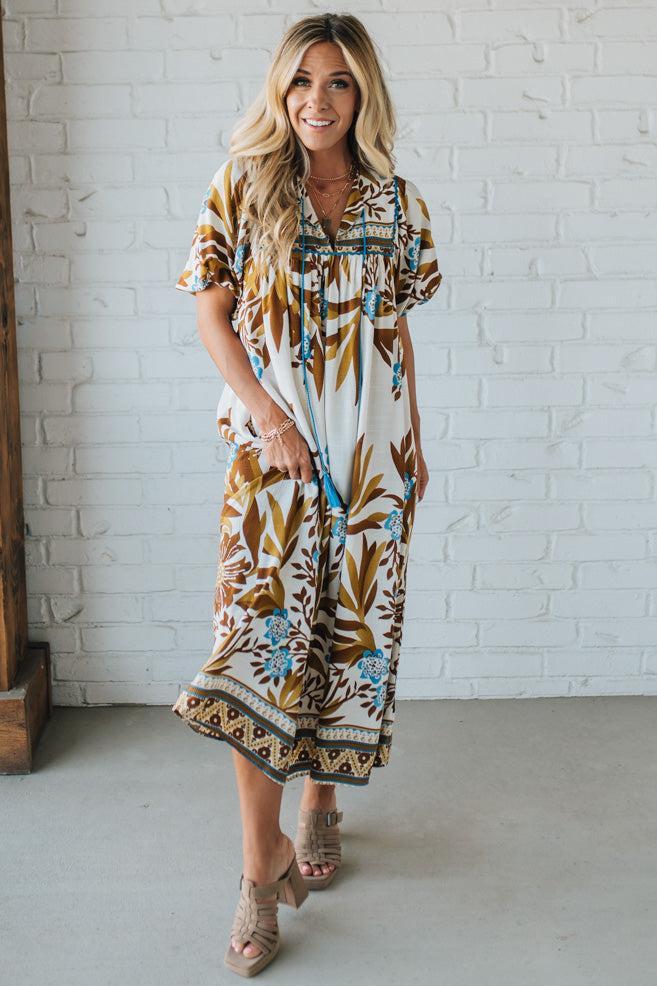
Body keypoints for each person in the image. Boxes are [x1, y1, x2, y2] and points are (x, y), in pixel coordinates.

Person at [171, 11, 442, 977]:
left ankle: (322, 800)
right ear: (277, 91)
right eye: (299, 83)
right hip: (272, 465)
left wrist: (413, 446)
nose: (315, 102)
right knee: (256, 652)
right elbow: (211, 315)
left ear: (361, 93)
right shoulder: (241, 187)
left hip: (372, 468)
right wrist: (270, 419)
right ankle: (260, 867)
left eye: (335, 84)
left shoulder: (396, 203)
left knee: (343, 646)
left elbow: (396, 335)